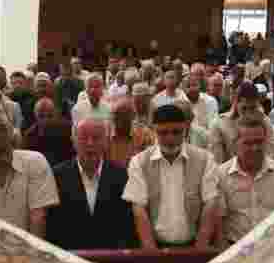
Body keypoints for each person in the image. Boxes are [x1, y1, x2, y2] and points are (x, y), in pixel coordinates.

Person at [122, 104, 220, 249]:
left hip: (195, 245)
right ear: (153, 131)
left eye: (176, 132)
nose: (170, 138)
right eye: (163, 133)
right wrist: (151, 252)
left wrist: (199, 250)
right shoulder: (139, 162)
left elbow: (210, 203)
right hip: (155, 247)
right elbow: (138, 208)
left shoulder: (205, 159)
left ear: (185, 130)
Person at [47, 118, 136, 250]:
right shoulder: (56, 176)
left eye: (96, 138)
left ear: (106, 142)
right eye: (84, 138)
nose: (90, 143)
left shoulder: (122, 176)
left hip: (112, 259)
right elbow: (52, 227)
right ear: (74, 141)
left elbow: (127, 227)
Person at [213, 116, 274, 246]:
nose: (255, 148)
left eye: (259, 142)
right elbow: (219, 223)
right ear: (235, 143)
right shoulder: (220, 175)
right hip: (235, 248)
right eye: (248, 143)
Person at [210, 82, 274, 164]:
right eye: (244, 108)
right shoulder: (219, 124)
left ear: (258, 104)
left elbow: (270, 153)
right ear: (235, 103)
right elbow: (217, 160)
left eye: (252, 108)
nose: (248, 113)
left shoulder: (265, 122)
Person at [21, 98, 75, 168]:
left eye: (50, 116)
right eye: (41, 116)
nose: (46, 120)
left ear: (56, 114)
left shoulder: (68, 129)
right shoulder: (30, 136)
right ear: (35, 116)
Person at [108, 96, 154, 168]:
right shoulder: (104, 134)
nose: (120, 119)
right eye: (116, 114)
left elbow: (151, 160)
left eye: (124, 114)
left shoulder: (144, 134)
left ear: (133, 116)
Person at [185, 65, 219, 129]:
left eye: (194, 85)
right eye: (188, 86)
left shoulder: (210, 101)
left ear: (199, 86)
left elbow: (213, 125)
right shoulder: (180, 102)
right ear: (183, 88)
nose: (191, 89)